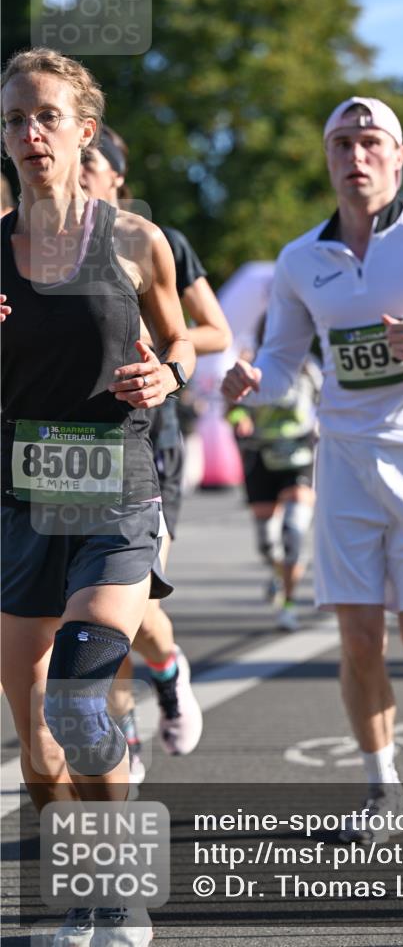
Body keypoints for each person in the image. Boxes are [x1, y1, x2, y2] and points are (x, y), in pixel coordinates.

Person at [223, 96, 403, 839]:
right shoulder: (299, 261)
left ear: (398, 155)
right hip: (343, 463)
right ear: (328, 158)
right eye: (342, 143)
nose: (356, 155)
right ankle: (382, 787)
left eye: (370, 141)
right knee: (357, 638)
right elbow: (287, 362)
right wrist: (256, 381)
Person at [1, 47, 195, 947]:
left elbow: (182, 339)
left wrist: (168, 374)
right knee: (34, 736)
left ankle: (119, 902)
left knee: (79, 703)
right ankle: (81, 895)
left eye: (46, 116)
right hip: (21, 500)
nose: (30, 134)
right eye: (14, 121)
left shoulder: (133, 239)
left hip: (116, 491)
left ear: (86, 130)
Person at [80, 126, 232, 778]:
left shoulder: (153, 243)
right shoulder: (28, 244)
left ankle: (167, 672)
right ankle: (124, 740)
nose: (73, 171)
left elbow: (212, 332)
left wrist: (136, 322)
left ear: (117, 177)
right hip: (62, 445)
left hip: (146, 442)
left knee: (134, 607)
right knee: (87, 610)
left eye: (89, 162)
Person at [228, 314, 320, 631]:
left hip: (299, 454)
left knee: (293, 532)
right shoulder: (251, 363)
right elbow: (232, 405)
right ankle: (280, 572)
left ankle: (289, 605)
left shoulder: (308, 366)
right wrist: (240, 416)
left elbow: (327, 401)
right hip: (261, 455)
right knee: (268, 545)